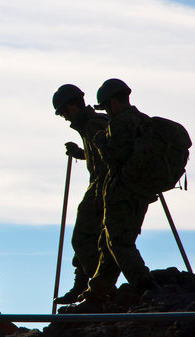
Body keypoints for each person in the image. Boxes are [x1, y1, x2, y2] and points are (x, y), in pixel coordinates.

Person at [77, 78, 160, 309]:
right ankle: (98, 291)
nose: (105, 112)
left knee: (118, 242)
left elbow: (114, 157)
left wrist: (101, 141)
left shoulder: (120, 123)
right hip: (140, 192)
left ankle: (145, 285)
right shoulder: (142, 120)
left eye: (105, 106)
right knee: (107, 242)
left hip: (121, 192)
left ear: (112, 101)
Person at [52, 84, 109, 304]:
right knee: (90, 238)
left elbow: (111, 155)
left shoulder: (94, 124)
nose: (65, 118)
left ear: (73, 106)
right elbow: (101, 153)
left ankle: (99, 288)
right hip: (101, 187)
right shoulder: (91, 125)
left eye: (65, 112)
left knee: (83, 238)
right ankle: (85, 285)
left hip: (103, 188)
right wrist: (81, 154)